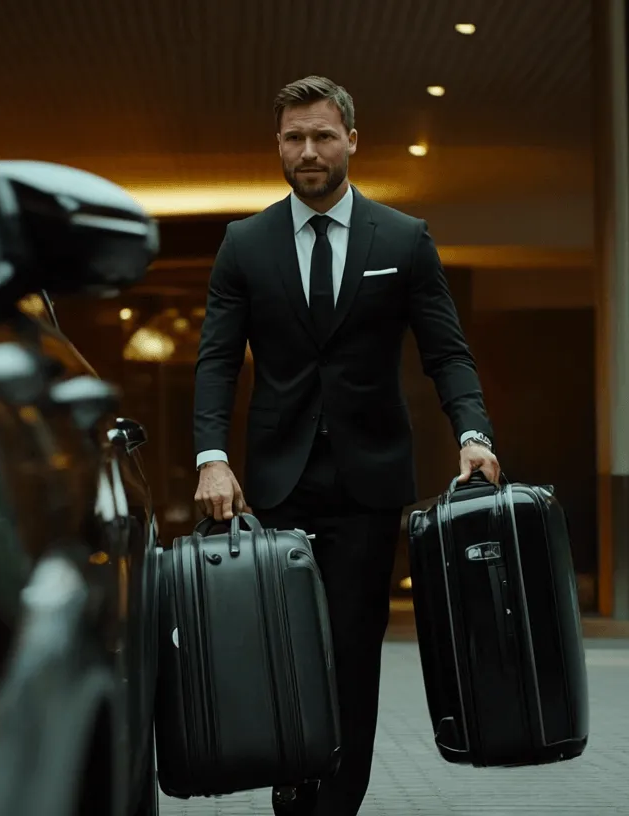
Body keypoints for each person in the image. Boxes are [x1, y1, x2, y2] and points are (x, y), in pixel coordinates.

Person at [192, 75, 501, 816]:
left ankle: (336, 802)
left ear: (352, 141)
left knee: (353, 655)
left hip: (368, 484)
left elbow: (447, 354)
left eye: (322, 135)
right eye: (294, 137)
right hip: (276, 481)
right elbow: (216, 360)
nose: (308, 150)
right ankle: (294, 776)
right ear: (278, 144)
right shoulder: (245, 244)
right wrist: (211, 456)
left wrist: (473, 433)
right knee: (283, 650)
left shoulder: (403, 239)